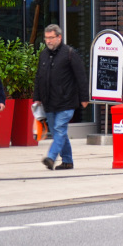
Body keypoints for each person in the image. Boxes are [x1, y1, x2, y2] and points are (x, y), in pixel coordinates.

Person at [33, 24, 88, 171]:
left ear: (59, 37)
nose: (48, 41)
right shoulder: (44, 55)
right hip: (49, 102)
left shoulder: (70, 54)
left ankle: (51, 157)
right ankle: (68, 161)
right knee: (59, 131)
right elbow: (39, 77)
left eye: (51, 38)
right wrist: (36, 98)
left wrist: (84, 98)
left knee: (59, 129)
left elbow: (81, 77)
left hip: (66, 101)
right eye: (46, 38)